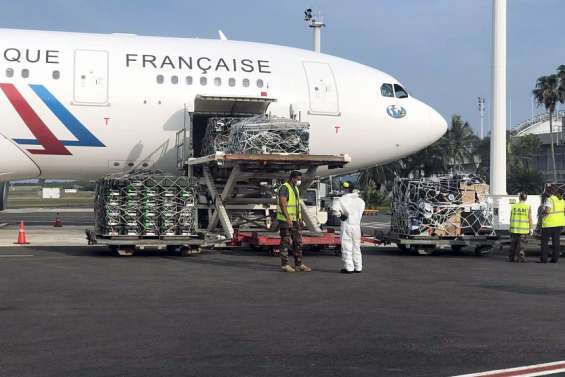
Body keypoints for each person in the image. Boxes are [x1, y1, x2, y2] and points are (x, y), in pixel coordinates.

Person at [276, 171, 312, 272]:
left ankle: (298, 264)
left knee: (298, 242)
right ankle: (285, 265)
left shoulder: (295, 188)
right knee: (286, 241)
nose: (299, 181)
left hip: (295, 220)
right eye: (298, 179)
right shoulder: (284, 188)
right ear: (292, 178)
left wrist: (299, 219)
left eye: (300, 179)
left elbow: (296, 205)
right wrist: (288, 219)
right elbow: (283, 204)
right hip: (285, 220)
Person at [332, 181, 366, 273]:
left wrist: (341, 215)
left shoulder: (341, 199)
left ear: (345, 189)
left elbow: (334, 209)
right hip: (357, 226)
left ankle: (349, 268)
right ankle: (358, 267)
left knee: (347, 246)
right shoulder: (360, 201)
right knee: (356, 247)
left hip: (347, 225)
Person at [540, 185, 565, 263]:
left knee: (544, 242)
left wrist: (542, 211)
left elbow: (547, 211)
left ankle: (544, 259)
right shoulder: (562, 200)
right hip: (559, 223)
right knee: (556, 242)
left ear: (549, 192)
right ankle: (555, 259)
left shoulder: (549, 200)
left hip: (549, 223)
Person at [508, 192, 532, 262]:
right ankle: (520, 258)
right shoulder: (528, 207)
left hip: (514, 229)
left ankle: (511, 258)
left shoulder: (514, 206)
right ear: (526, 199)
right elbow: (530, 218)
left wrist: (511, 226)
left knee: (513, 245)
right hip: (523, 230)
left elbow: (511, 217)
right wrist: (531, 228)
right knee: (521, 246)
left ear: (519, 198)